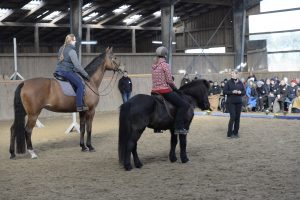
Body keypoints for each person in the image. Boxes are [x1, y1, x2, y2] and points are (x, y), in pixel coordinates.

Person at [151, 46, 189, 135]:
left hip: (154, 91)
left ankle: (157, 127)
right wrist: (175, 89)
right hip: (164, 91)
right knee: (183, 105)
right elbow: (169, 80)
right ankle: (179, 127)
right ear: (165, 55)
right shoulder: (165, 65)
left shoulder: (154, 66)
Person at [55, 34, 90, 112]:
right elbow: (77, 65)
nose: (75, 41)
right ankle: (79, 105)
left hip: (58, 71)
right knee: (80, 85)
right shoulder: (72, 51)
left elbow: (64, 62)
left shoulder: (61, 48)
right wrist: (86, 75)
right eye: (74, 40)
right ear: (70, 41)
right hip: (66, 71)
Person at [223, 70, 245, 138]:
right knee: (232, 117)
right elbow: (224, 92)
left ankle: (236, 132)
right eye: (231, 73)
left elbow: (244, 92)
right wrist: (232, 92)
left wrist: (240, 92)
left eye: (233, 73)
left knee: (237, 118)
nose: (231, 74)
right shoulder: (228, 83)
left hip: (239, 102)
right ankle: (229, 134)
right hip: (231, 102)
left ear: (236, 74)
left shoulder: (240, 83)